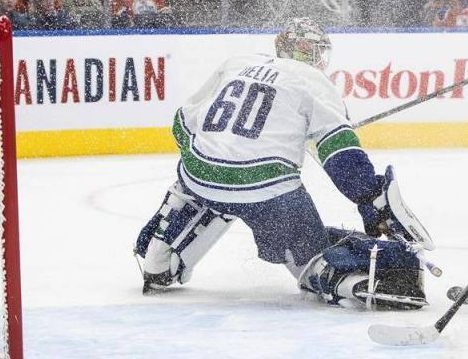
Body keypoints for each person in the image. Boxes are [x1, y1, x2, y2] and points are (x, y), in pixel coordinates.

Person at [132, 18, 433, 309]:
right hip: (268, 192)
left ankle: (160, 256)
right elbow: (342, 157)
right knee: (309, 260)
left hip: (201, 172)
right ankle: (345, 281)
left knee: (197, 179)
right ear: (312, 54)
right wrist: (368, 197)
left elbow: (182, 125)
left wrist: (211, 164)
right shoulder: (315, 82)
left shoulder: (238, 63)